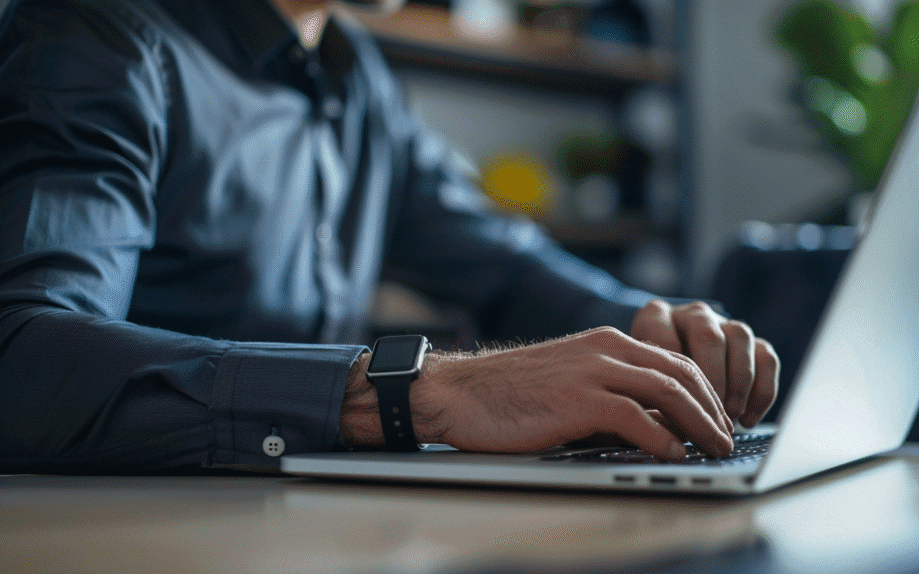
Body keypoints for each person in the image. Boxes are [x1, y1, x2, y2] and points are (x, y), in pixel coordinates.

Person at [0, 0, 779, 472]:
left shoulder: (353, 74)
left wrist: (649, 330)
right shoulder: (99, 35)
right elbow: (22, 358)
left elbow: (501, 264)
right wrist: (422, 394)